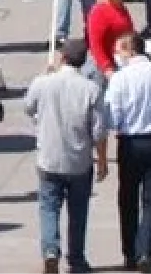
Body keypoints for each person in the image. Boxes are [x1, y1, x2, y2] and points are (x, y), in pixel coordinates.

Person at [27, 38, 107, 274]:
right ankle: (77, 259)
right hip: (79, 160)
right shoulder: (91, 89)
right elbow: (99, 131)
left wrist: (44, 76)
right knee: (78, 211)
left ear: (62, 57)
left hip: (49, 158)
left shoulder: (42, 83)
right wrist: (102, 160)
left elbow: (29, 107)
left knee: (48, 208)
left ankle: (50, 251)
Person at [106, 32, 151, 269]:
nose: (116, 56)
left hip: (130, 143)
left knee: (127, 198)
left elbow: (112, 116)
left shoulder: (120, 78)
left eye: (119, 51)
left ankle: (130, 252)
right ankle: (145, 250)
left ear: (130, 50)